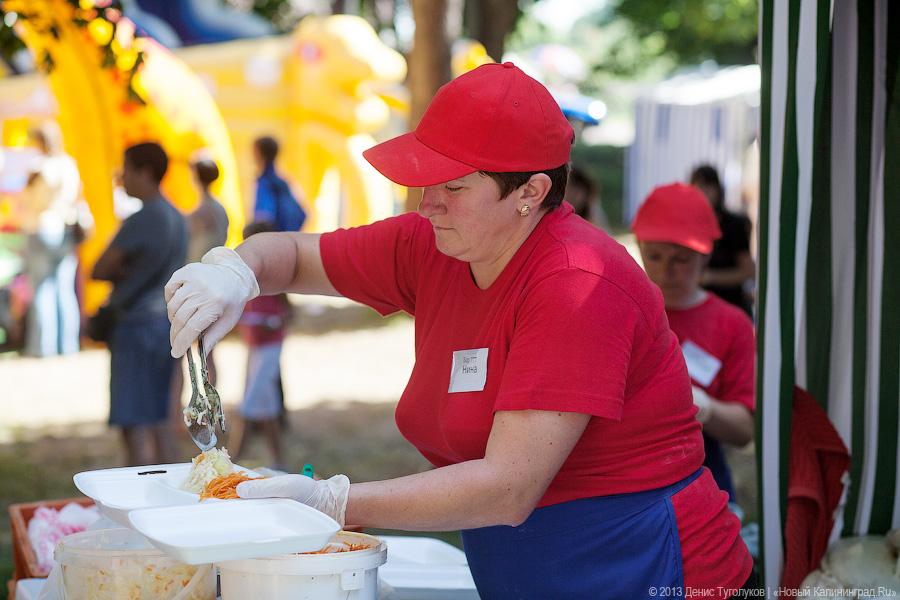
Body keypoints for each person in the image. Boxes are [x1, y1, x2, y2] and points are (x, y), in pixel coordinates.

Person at [166, 63, 752, 598]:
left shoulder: (576, 282)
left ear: (531, 192)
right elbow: (293, 256)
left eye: (453, 186)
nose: (428, 203)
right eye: (426, 180)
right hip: (524, 560)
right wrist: (234, 271)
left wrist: (332, 501)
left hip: (641, 564)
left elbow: (507, 487)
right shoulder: (437, 243)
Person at [632, 183, 755, 504]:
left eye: (681, 259)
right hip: (628, 475)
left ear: (706, 254)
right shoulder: (624, 310)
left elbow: (745, 431)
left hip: (701, 479)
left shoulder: (732, 323)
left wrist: (709, 408)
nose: (665, 270)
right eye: (654, 255)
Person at [93, 142, 188, 466]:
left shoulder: (144, 218)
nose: (123, 178)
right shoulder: (178, 216)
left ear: (144, 172)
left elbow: (100, 267)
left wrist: (124, 270)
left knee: (133, 422)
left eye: (127, 169)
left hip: (136, 326)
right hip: (166, 323)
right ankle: (172, 497)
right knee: (162, 419)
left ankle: (136, 497)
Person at [19, 122, 92, 357]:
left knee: (42, 289)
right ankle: (68, 346)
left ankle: (43, 347)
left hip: (41, 228)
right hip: (65, 230)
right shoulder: (69, 165)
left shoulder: (38, 167)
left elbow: (28, 201)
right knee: (64, 289)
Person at [230, 221, 289, 469]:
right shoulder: (247, 273)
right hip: (255, 346)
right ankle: (278, 460)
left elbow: (286, 311)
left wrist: (273, 323)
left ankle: (233, 460)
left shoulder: (275, 273)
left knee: (250, 405)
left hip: (269, 346)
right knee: (267, 408)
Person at [689, 164, 755, 316]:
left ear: (718, 190)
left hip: (729, 305)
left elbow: (748, 271)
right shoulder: (688, 224)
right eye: (698, 187)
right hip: (697, 309)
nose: (703, 193)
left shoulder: (733, 225)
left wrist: (710, 277)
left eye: (708, 186)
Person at [252, 136, 306, 232]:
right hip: (284, 237)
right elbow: (301, 214)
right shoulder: (282, 181)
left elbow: (264, 218)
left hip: (271, 239)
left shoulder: (267, 182)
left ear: (260, 153)